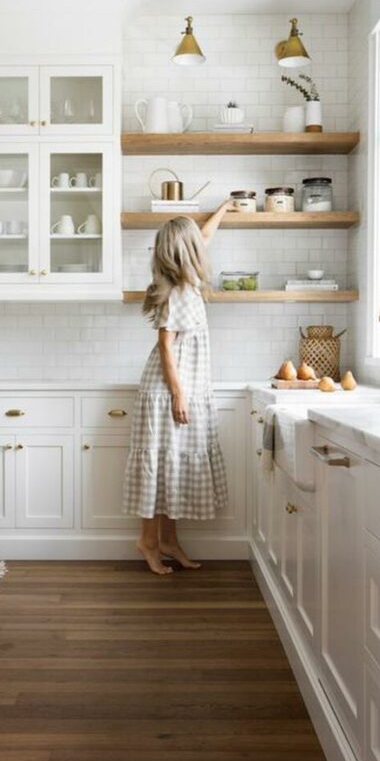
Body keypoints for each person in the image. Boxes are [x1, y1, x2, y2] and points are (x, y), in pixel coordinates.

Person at [122, 200, 239, 574]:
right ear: (186, 253)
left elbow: (204, 235)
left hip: (183, 388)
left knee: (171, 468)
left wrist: (225, 208)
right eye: (195, 246)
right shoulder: (175, 293)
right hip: (167, 392)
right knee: (158, 467)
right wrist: (178, 394)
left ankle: (170, 541)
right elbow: (165, 346)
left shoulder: (185, 283)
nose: (203, 248)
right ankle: (148, 542)